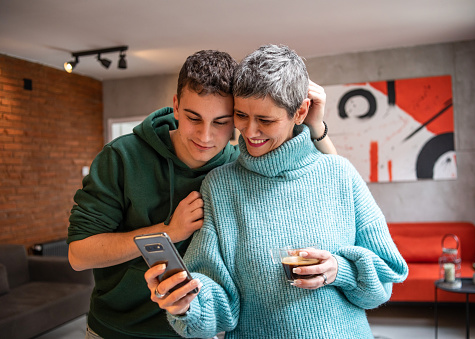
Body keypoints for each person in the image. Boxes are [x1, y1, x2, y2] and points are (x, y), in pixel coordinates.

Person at [67, 49, 336, 339]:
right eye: (194, 118)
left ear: (237, 118)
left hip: (201, 331)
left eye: (221, 122)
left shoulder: (237, 166)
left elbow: (332, 183)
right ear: (176, 107)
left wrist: (316, 125)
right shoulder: (121, 156)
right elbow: (78, 255)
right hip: (116, 331)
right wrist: (167, 232)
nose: (205, 136)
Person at [144, 45, 409, 339]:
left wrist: (340, 270)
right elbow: (217, 303)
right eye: (241, 115)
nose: (250, 131)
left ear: (300, 112)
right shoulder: (221, 187)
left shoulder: (340, 175)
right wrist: (187, 303)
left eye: (266, 120)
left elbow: (384, 284)